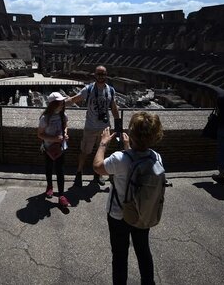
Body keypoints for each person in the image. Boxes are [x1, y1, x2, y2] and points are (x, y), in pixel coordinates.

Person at [93, 112, 163, 285]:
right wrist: (128, 147)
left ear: (132, 134)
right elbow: (134, 162)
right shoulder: (156, 157)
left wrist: (103, 144)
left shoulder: (120, 159)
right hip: (142, 213)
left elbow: (97, 167)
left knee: (119, 256)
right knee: (143, 251)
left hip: (119, 214)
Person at [65, 65, 120, 186]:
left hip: (105, 128)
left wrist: (118, 124)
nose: (101, 76)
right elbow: (74, 99)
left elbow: (114, 107)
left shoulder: (111, 90)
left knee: (101, 151)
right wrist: (59, 105)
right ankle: (79, 173)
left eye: (103, 74)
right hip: (90, 127)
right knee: (85, 152)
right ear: (95, 75)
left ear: (106, 75)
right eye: (99, 74)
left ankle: (98, 174)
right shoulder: (88, 89)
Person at [37, 92, 71, 208]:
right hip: (48, 148)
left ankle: (61, 195)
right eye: (60, 102)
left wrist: (65, 133)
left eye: (62, 102)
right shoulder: (44, 118)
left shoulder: (63, 115)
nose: (62, 104)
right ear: (53, 104)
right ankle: (50, 186)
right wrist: (54, 138)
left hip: (60, 147)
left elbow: (66, 126)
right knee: (49, 167)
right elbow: (40, 135)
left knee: (60, 171)